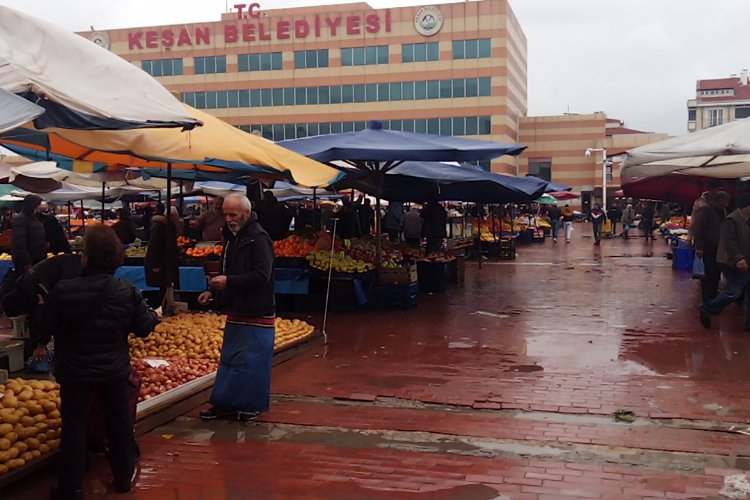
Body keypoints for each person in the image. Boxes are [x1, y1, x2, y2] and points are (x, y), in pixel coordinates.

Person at [34, 224, 158, 498]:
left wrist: (44, 308)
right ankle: (124, 477)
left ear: (86, 256)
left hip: (75, 371)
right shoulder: (126, 290)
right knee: (119, 423)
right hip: (114, 370)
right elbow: (144, 327)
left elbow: (41, 331)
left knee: (74, 427)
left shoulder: (63, 291)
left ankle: (71, 487)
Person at [197, 193, 276, 422]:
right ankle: (224, 404)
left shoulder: (259, 239)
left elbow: (262, 276)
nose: (229, 219)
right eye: (226, 214)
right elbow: (226, 270)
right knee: (231, 359)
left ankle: (250, 405)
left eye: (233, 214)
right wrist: (212, 291)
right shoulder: (232, 239)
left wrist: (229, 282)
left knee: (252, 361)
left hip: (257, 309)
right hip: (237, 307)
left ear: (246, 214)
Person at [700, 193, 750, 330]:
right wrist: (738, 258)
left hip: (747, 261)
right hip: (731, 263)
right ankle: (708, 308)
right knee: (734, 292)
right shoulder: (732, 220)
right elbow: (729, 242)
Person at [692, 191, 730, 307]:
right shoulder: (706, 210)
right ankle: (707, 300)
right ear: (718, 201)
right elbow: (698, 228)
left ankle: (713, 298)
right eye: (725, 201)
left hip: (719, 248)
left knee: (716, 274)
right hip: (708, 247)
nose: (727, 204)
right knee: (708, 275)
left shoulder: (723, 212)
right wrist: (699, 247)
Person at [144, 206, 180, 309]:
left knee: (165, 287)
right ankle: (162, 308)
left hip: (165, 262)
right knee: (163, 286)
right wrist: (156, 264)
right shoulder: (160, 226)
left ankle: (165, 307)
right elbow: (154, 245)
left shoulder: (165, 225)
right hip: (161, 264)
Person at [11, 194, 47, 272]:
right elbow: (19, 244)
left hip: (38, 260)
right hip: (29, 263)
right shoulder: (20, 219)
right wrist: (26, 262)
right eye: (38, 205)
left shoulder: (34, 218)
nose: (39, 206)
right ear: (32, 205)